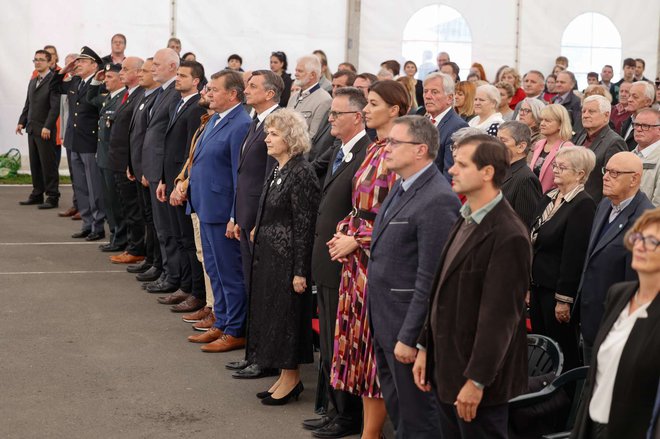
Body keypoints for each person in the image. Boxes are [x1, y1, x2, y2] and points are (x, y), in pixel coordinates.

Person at [413, 134, 531, 438]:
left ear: (487, 172)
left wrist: (476, 381)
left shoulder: (508, 234)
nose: (451, 169)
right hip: (447, 368)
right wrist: (425, 346)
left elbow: (500, 319)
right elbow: (440, 290)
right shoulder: (466, 216)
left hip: (477, 382)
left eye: (462, 165)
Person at [322, 80, 407, 439]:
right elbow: (360, 205)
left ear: (396, 110)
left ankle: (371, 432)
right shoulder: (375, 148)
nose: (366, 109)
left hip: (376, 260)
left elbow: (402, 214)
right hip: (355, 260)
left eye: (373, 104)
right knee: (357, 346)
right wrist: (345, 233)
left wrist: (356, 240)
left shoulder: (400, 152)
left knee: (373, 350)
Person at [368, 115, 460, 438]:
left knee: (419, 419)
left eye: (395, 143)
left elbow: (430, 278)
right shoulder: (402, 185)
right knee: (399, 410)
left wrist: (412, 337)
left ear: (420, 150)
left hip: (405, 325)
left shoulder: (437, 198)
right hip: (385, 318)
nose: (386, 148)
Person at [303, 87, 369, 435]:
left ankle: (347, 415)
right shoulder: (339, 149)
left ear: (356, 118)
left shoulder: (365, 153)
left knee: (339, 342)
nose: (329, 119)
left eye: (336, 114)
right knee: (329, 341)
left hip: (345, 261)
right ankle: (333, 408)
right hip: (328, 257)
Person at [248, 109, 320, 406]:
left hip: (289, 260)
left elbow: (305, 224)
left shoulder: (301, 172)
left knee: (288, 319)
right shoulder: (280, 168)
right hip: (271, 257)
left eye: (274, 134)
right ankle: (283, 375)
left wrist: (300, 271)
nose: (267, 138)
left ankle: (292, 379)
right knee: (274, 317)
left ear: (290, 139)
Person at [571, 208, 660, 439]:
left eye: (652, 241)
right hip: (592, 425)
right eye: (638, 237)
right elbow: (595, 379)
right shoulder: (619, 295)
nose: (640, 246)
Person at [186, 70, 251, 353]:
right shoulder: (216, 119)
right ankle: (222, 322)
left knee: (229, 273)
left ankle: (235, 329)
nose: (209, 94)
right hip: (206, 205)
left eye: (214, 89)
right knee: (215, 270)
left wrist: (234, 216)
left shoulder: (240, 124)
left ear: (232, 94)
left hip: (222, 211)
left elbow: (240, 176)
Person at [225, 70, 283, 379]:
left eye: (253, 86)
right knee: (251, 286)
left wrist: (257, 220)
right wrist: (236, 215)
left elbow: (269, 179)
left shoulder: (276, 124)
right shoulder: (255, 121)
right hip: (246, 215)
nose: (246, 90)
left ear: (270, 94)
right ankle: (254, 353)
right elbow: (243, 175)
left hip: (259, 220)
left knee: (262, 290)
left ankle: (265, 357)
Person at [577, 152, 653, 364]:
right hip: (591, 318)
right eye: (606, 171)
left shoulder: (644, 220)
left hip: (616, 326)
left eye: (615, 173)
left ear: (635, 179)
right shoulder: (604, 205)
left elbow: (638, 284)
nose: (606, 177)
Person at [530, 146, 597, 370]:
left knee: (560, 349)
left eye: (562, 167)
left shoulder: (583, 204)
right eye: (555, 166)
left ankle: (562, 396)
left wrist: (564, 299)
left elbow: (573, 256)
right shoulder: (549, 196)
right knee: (540, 348)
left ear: (580, 174)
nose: (555, 170)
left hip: (555, 292)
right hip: (537, 285)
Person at [155, 60, 207, 313]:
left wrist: (181, 183)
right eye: (176, 74)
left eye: (182, 75)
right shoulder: (179, 103)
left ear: (196, 81)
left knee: (188, 240)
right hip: (172, 178)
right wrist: (165, 179)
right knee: (179, 237)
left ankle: (195, 292)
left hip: (184, 183)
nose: (177, 79)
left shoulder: (197, 107)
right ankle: (185, 286)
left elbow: (191, 152)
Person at [51, 46, 107, 241]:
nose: (78, 64)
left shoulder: (101, 84)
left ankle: (98, 226)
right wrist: (63, 71)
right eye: (78, 61)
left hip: (90, 142)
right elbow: (55, 87)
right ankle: (86, 222)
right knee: (80, 186)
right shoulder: (75, 81)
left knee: (94, 187)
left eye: (82, 61)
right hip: (74, 140)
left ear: (93, 65)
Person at [141, 48, 182, 294]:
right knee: (160, 227)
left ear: (172, 67)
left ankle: (172, 275)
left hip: (164, 170)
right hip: (154, 169)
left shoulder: (174, 94)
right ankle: (166, 270)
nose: (153, 68)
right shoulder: (162, 93)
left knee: (167, 228)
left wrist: (164, 175)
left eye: (157, 64)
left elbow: (171, 138)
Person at [105, 57, 146, 265]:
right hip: (118, 160)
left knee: (133, 209)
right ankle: (132, 244)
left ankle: (136, 248)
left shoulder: (139, 95)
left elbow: (136, 133)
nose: (121, 72)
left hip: (127, 162)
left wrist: (130, 162)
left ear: (138, 72)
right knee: (125, 206)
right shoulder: (129, 95)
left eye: (125, 69)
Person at [127, 59, 162, 282]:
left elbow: (154, 140)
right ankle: (151, 259)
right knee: (147, 217)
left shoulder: (158, 97)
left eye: (145, 71)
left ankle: (157, 263)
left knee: (155, 221)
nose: (140, 75)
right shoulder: (143, 95)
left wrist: (147, 170)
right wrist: (132, 164)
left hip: (150, 170)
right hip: (140, 166)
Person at [87, 63, 127, 252]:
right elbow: (89, 98)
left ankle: (120, 238)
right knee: (108, 201)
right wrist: (96, 79)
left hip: (113, 159)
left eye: (110, 77)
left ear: (121, 79)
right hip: (103, 157)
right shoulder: (107, 98)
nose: (106, 80)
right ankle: (114, 235)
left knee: (116, 202)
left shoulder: (122, 99)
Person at [16, 49, 60, 209]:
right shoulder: (33, 81)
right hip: (32, 129)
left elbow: (55, 107)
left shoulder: (54, 80)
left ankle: (53, 196)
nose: (38, 62)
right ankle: (37, 194)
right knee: (35, 163)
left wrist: (48, 126)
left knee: (48, 164)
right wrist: (21, 121)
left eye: (41, 59)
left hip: (45, 130)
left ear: (50, 62)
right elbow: (28, 104)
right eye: (35, 59)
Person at [573, 95, 627, 203]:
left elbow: (614, 183)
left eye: (591, 112)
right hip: (575, 201)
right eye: (583, 111)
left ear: (606, 115)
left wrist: (603, 212)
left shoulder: (615, 142)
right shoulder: (581, 136)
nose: (585, 115)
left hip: (594, 206)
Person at [422, 72, 468, 181]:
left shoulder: (457, 126)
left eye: (434, 92)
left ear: (449, 98)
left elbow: (450, 174)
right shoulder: (424, 121)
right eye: (425, 91)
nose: (427, 96)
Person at [498, 121, 543, 227]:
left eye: (503, 140)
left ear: (521, 147)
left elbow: (523, 225)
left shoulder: (526, 179)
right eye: (497, 139)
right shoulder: (500, 170)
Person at [529, 104, 575, 192]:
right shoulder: (539, 144)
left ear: (560, 124)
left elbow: (567, 181)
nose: (542, 123)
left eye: (547, 121)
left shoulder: (567, 148)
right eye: (541, 120)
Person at [287, 55, 332, 139]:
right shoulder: (293, 97)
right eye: (296, 70)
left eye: (300, 71)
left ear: (312, 75)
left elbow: (314, 136)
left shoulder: (324, 100)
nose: (295, 74)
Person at [632, 109, 660, 206]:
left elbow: (657, 205)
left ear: (659, 130)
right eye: (636, 125)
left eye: (645, 126)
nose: (639, 129)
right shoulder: (629, 156)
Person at [621, 81, 656, 151]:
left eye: (635, 97)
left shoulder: (653, 127)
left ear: (648, 102)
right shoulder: (628, 121)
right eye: (629, 95)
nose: (629, 100)